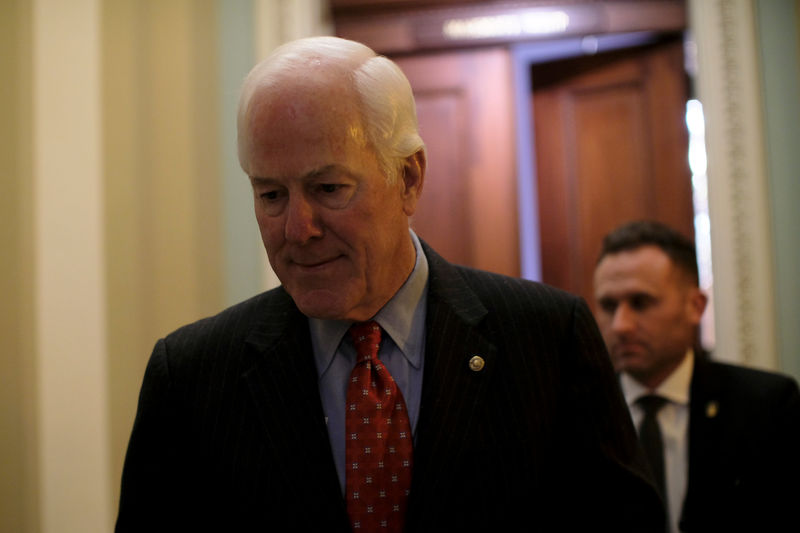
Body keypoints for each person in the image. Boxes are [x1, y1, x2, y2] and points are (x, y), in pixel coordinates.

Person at [115, 36, 664, 532]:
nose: (297, 230)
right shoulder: (191, 377)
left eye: (328, 188)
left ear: (409, 178)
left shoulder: (548, 339)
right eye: (271, 195)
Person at [593, 220, 800, 533]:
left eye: (640, 302)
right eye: (609, 305)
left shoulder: (765, 405)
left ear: (695, 306)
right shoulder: (579, 413)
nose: (621, 325)